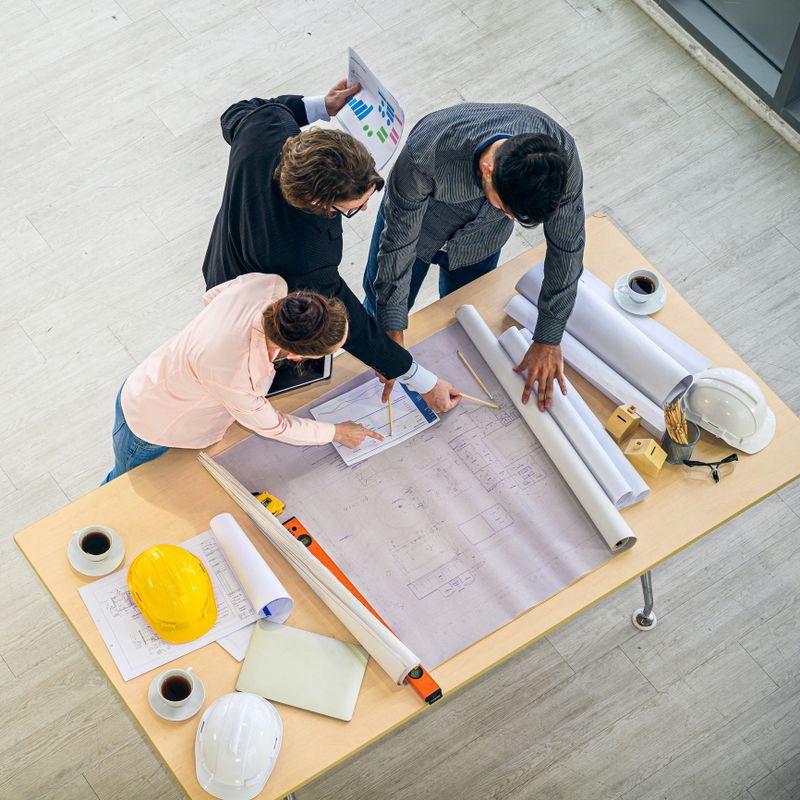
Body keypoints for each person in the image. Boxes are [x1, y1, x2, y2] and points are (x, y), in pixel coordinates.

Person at [201, 81, 460, 413]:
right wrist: (421, 379)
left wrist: (320, 105)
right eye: (351, 207)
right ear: (315, 200)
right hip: (245, 297)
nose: (365, 210)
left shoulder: (263, 127)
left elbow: (238, 112)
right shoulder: (305, 256)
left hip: (224, 256)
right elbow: (349, 321)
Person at [362, 103, 586, 412]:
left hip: (481, 242)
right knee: (378, 313)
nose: (507, 216)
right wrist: (390, 332)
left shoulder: (560, 159)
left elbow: (567, 248)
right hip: (416, 232)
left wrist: (548, 337)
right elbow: (398, 245)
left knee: (465, 316)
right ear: (488, 169)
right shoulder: (425, 154)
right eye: (505, 208)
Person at [102, 274, 382, 483]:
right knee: (119, 485)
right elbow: (275, 426)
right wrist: (337, 432)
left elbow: (212, 296)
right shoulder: (237, 375)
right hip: (149, 424)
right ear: (296, 356)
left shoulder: (270, 285)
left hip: (150, 378)